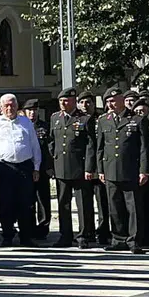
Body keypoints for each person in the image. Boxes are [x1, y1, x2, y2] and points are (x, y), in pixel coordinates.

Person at [95, 86, 149, 254]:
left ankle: (134, 241)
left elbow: (144, 148)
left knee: (133, 208)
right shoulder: (104, 120)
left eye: (113, 101)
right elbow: (100, 148)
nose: (110, 104)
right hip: (110, 169)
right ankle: (118, 239)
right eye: (108, 101)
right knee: (114, 207)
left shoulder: (137, 119)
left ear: (121, 100)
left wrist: (144, 170)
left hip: (130, 170)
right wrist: (100, 170)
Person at [0, 93, 43, 247]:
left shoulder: (26, 122)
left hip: (25, 167)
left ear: (17, 106)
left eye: (12, 105)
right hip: (4, 168)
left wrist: (36, 167)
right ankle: (7, 236)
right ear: (1, 107)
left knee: (26, 204)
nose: (9, 108)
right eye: (6, 105)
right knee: (6, 204)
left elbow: (34, 145)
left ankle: (26, 237)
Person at [50, 88, 98, 249]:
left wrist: (89, 168)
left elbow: (90, 145)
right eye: (61, 101)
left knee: (83, 204)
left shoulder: (84, 118)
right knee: (63, 204)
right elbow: (52, 141)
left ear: (73, 101)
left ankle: (83, 235)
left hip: (79, 168)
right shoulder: (55, 118)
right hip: (61, 167)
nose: (63, 103)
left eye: (66, 100)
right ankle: (65, 235)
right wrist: (53, 161)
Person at [77, 91, 111, 244]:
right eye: (82, 102)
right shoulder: (76, 119)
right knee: (85, 202)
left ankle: (103, 232)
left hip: (101, 166)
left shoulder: (102, 118)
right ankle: (87, 232)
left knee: (103, 202)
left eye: (88, 102)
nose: (85, 105)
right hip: (83, 167)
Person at [23, 99, 53, 241]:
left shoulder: (45, 127)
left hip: (42, 169)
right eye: (29, 110)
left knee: (43, 200)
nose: (32, 113)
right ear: (24, 112)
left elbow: (50, 149)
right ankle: (28, 228)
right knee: (27, 200)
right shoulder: (21, 126)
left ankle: (43, 228)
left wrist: (50, 167)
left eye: (35, 110)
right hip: (26, 169)